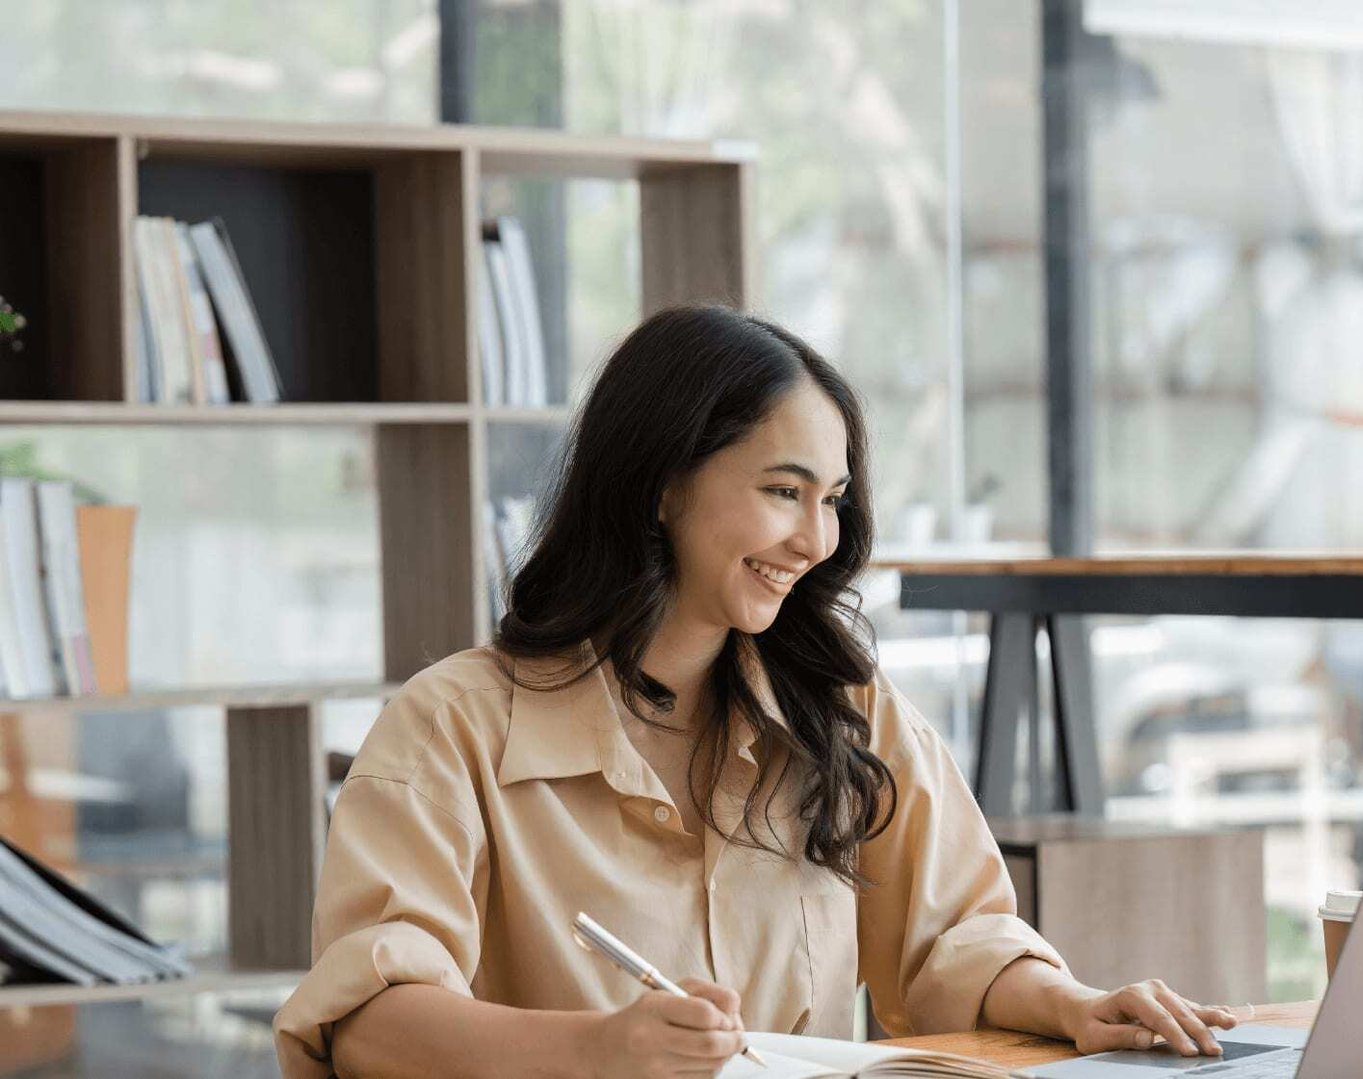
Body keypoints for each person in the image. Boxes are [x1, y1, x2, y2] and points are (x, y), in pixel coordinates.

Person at [272, 306, 1237, 1079]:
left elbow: (954, 938)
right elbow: (367, 1023)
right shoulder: (450, 726)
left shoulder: (844, 704)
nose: (816, 540)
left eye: (833, 499)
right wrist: (600, 1053)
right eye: (784, 491)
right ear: (661, 483)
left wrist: (1073, 1004)